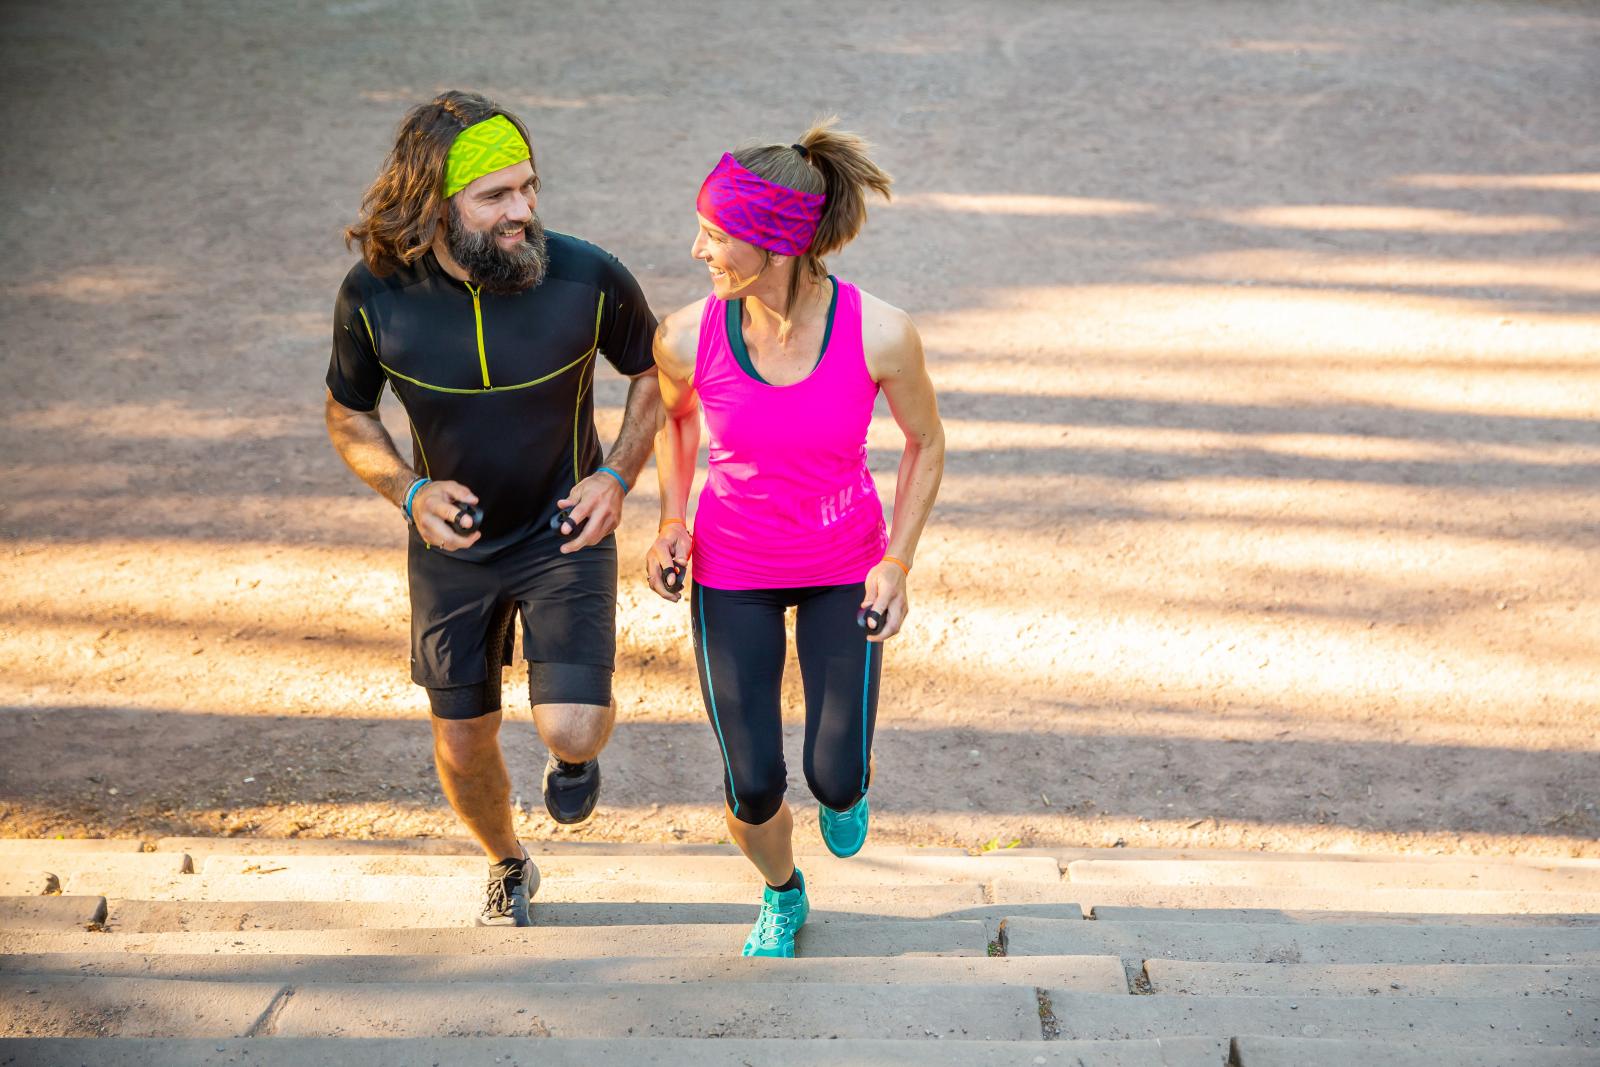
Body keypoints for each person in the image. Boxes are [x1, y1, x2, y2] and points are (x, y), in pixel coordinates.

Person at [324, 91, 661, 926]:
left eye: (530, 188)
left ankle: (576, 760)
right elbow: (347, 410)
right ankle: (508, 861)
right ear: (437, 204)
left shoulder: (585, 274)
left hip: (565, 527)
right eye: (497, 197)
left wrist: (615, 476)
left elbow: (653, 374)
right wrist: (408, 490)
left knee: (574, 728)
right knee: (462, 741)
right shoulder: (374, 295)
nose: (524, 212)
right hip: (455, 547)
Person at [646, 119, 945, 957]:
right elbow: (671, 421)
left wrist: (898, 562)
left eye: (713, 234)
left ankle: (848, 790)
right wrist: (672, 518)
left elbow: (927, 442)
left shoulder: (880, 333)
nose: (697, 247)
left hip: (843, 567)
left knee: (833, 775)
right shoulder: (686, 334)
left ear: (773, 242)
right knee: (753, 784)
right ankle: (782, 892)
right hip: (731, 570)